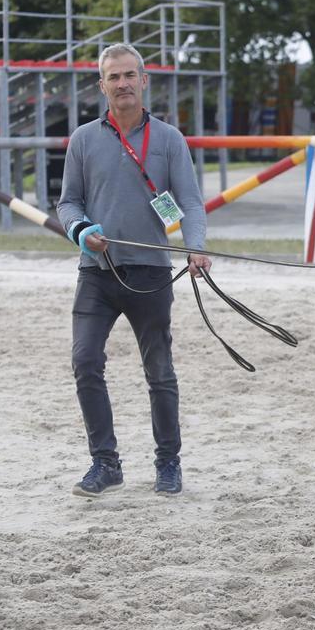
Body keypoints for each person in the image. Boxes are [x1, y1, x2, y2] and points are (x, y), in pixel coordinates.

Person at [57, 43, 212, 497]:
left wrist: (196, 247)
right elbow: (68, 203)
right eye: (114, 77)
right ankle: (105, 464)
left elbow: (190, 203)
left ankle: (168, 463)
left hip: (151, 273)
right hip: (96, 272)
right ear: (101, 85)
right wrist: (81, 231)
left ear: (144, 81)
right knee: (85, 362)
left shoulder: (169, 139)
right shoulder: (83, 139)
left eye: (130, 75)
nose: (122, 83)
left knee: (159, 371)